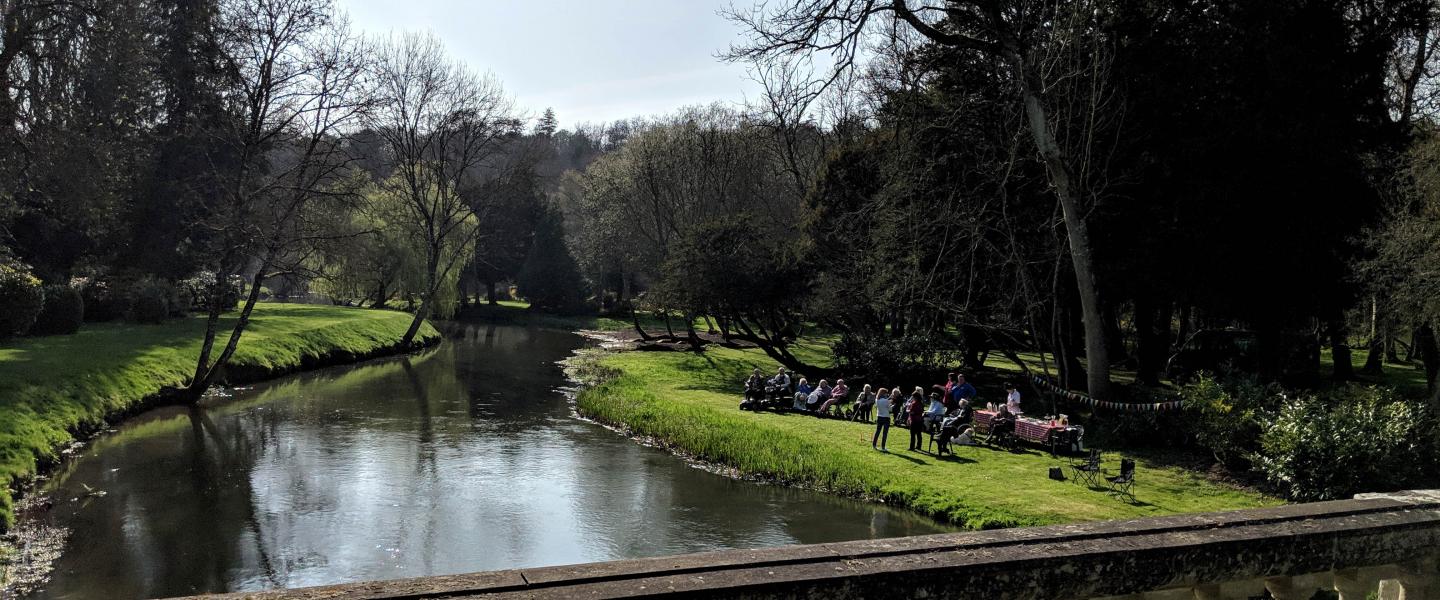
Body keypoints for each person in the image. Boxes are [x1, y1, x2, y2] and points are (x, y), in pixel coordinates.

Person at [906, 387, 926, 451]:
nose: (912, 398)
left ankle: (912, 447)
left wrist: (908, 410)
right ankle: (919, 446)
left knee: (912, 434)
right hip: (920, 420)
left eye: (913, 397)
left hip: (914, 420)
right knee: (919, 434)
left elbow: (912, 412)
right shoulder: (921, 403)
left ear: (915, 397)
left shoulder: (914, 403)